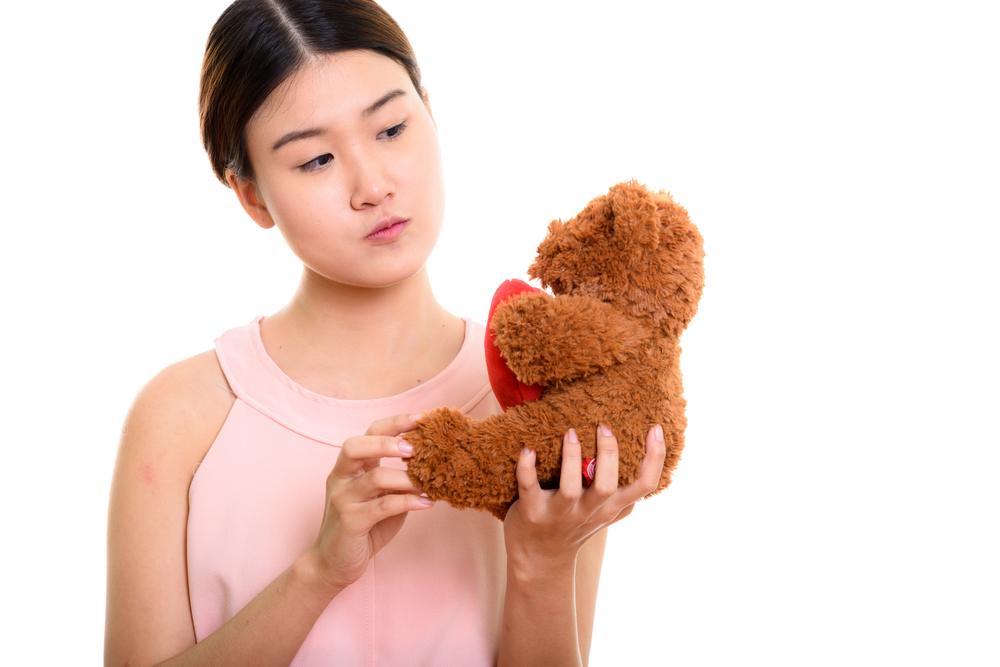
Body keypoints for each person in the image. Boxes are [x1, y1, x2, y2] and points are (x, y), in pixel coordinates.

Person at [104, 1, 667, 665]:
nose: (372, 184)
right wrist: (318, 573)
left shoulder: (547, 401)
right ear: (251, 195)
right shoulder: (181, 416)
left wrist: (542, 564)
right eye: (316, 160)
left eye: (393, 127)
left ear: (431, 111)